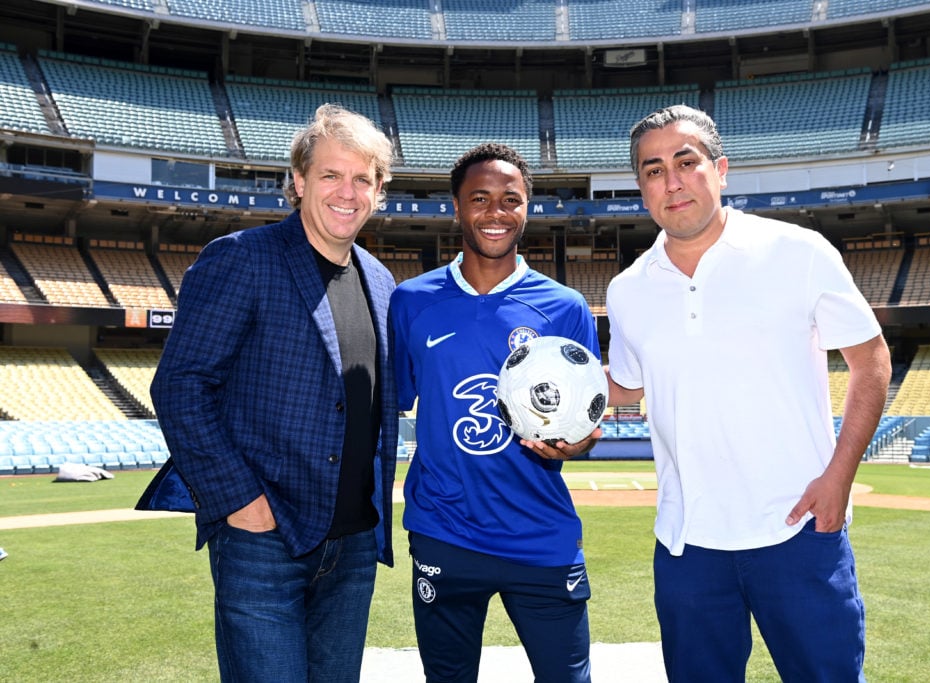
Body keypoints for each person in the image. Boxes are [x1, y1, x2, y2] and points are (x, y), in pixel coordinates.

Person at [604, 104, 891, 682]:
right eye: (654, 170)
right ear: (641, 187)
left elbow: (872, 361)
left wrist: (838, 478)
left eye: (686, 162)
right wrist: (545, 394)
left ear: (721, 169)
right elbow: (626, 388)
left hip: (798, 527)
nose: (673, 181)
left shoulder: (798, 251)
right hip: (687, 541)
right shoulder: (628, 288)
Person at [150, 103, 399, 683]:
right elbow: (180, 386)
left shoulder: (382, 282)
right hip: (264, 539)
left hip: (355, 542)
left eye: (363, 178)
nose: (347, 191)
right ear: (299, 181)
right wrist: (240, 503)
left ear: (378, 189)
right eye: (331, 175)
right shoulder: (241, 258)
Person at [389, 142, 599, 683]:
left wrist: (578, 445)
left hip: (540, 532)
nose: (496, 212)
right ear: (457, 207)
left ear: (527, 208)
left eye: (511, 199)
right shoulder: (411, 301)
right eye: (480, 198)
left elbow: (586, 423)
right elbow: (393, 402)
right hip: (444, 530)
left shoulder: (564, 307)